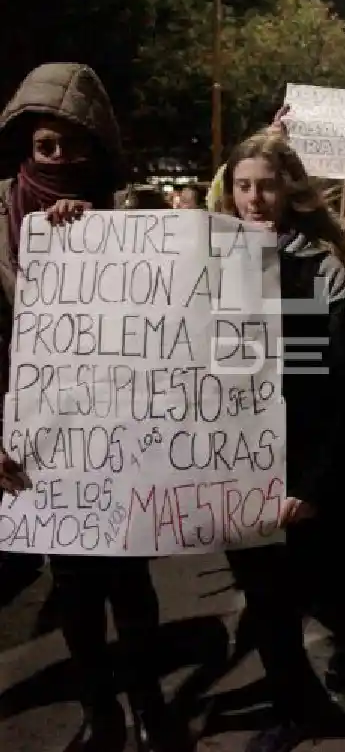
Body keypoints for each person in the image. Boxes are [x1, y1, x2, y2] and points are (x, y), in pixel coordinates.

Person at [0, 63, 187, 752]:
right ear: (24, 144)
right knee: (74, 587)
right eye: (46, 146)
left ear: (97, 148)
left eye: (73, 146)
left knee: (130, 578)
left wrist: (91, 242)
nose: (58, 159)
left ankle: (148, 702)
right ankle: (99, 709)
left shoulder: (129, 217)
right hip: (37, 441)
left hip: (120, 431)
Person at [217, 129, 345, 752]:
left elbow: (342, 390)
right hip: (235, 464)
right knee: (265, 600)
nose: (255, 198)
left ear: (288, 191)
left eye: (266, 185)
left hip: (312, 465)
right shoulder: (204, 261)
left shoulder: (322, 268)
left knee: (334, 594)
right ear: (228, 192)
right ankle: (297, 708)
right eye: (243, 186)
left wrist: (312, 484)